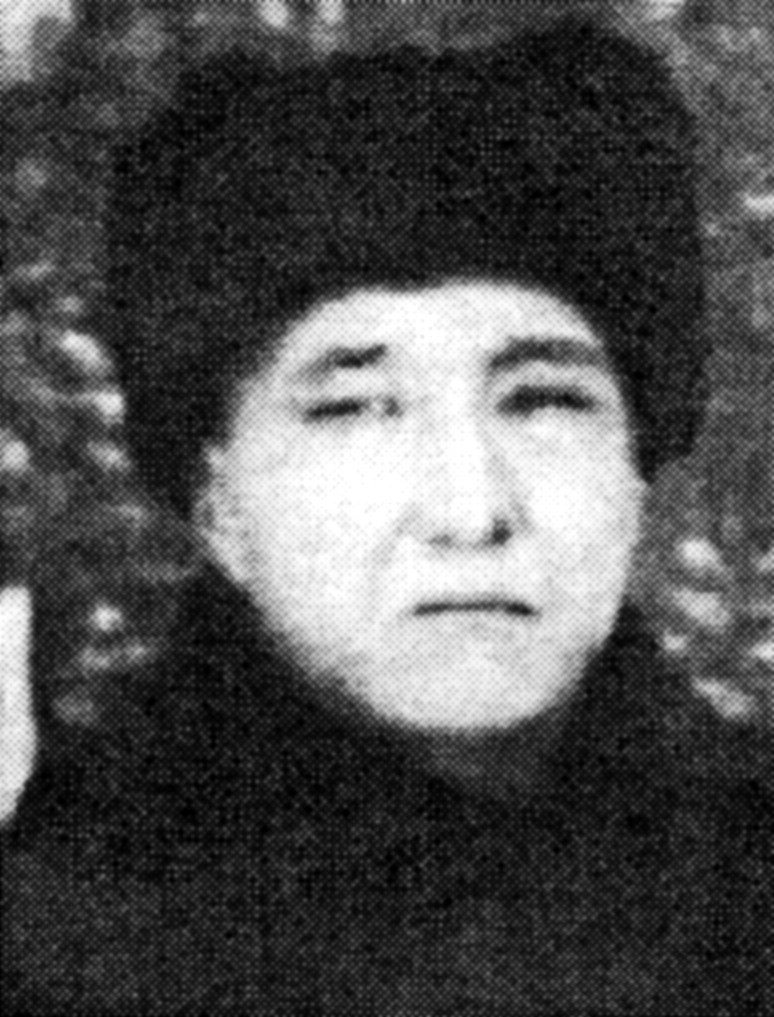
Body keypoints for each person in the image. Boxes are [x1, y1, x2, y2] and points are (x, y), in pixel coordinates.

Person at [2, 14, 772, 1015]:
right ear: (217, 504)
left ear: (636, 469)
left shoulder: (745, 884)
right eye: (357, 408)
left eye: (543, 399)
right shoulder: (56, 942)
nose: (471, 511)